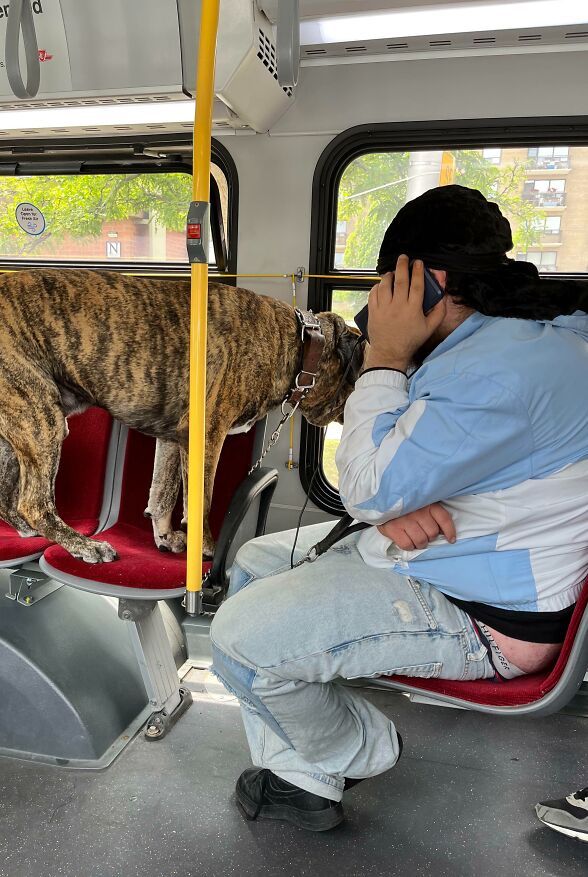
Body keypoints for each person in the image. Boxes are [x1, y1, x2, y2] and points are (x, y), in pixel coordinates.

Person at [210, 185, 588, 832]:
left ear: (429, 283)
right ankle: (303, 780)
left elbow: (365, 483)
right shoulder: (516, 341)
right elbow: (402, 471)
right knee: (254, 560)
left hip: (481, 614)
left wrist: (385, 357)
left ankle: (359, 751)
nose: (378, 299)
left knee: (236, 640)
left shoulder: (494, 375)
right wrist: (388, 507)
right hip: (458, 550)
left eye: (390, 281)